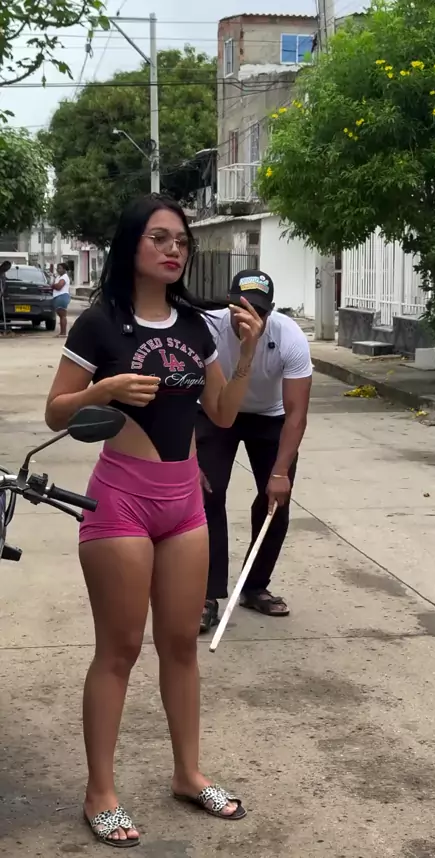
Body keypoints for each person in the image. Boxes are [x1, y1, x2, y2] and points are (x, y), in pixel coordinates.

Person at [44, 195, 262, 848]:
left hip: (183, 502)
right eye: (160, 238)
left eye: (182, 241)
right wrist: (103, 391)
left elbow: (221, 413)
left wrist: (247, 353)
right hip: (121, 499)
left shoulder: (196, 326)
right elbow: (56, 412)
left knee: (181, 645)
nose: (174, 250)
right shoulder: (100, 324)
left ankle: (188, 774)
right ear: (131, 244)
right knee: (119, 650)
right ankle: (100, 792)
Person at [197, 269, 312, 633]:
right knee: (207, 494)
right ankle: (206, 594)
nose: (248, 317)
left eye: (258, 310)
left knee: (275, 503)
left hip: (269, 416)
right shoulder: (206, 328)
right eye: (240, 307)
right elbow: (182, 390)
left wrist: (280, 472)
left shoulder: (289, 337)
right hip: (216, 412)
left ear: (271, 311)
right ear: (229, 305)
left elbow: (296, 413)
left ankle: (253, 586)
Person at [53, 262, 71, 337]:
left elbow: (59, 286)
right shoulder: (59, 277)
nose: (58, 270)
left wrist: (53, 285)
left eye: (60, 268)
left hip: (62, 297)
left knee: (63, 315)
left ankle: (63, 333)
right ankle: (62, 332)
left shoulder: (64, 277)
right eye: (57, 268)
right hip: (58, 297)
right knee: (61, 315)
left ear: (64, 269)